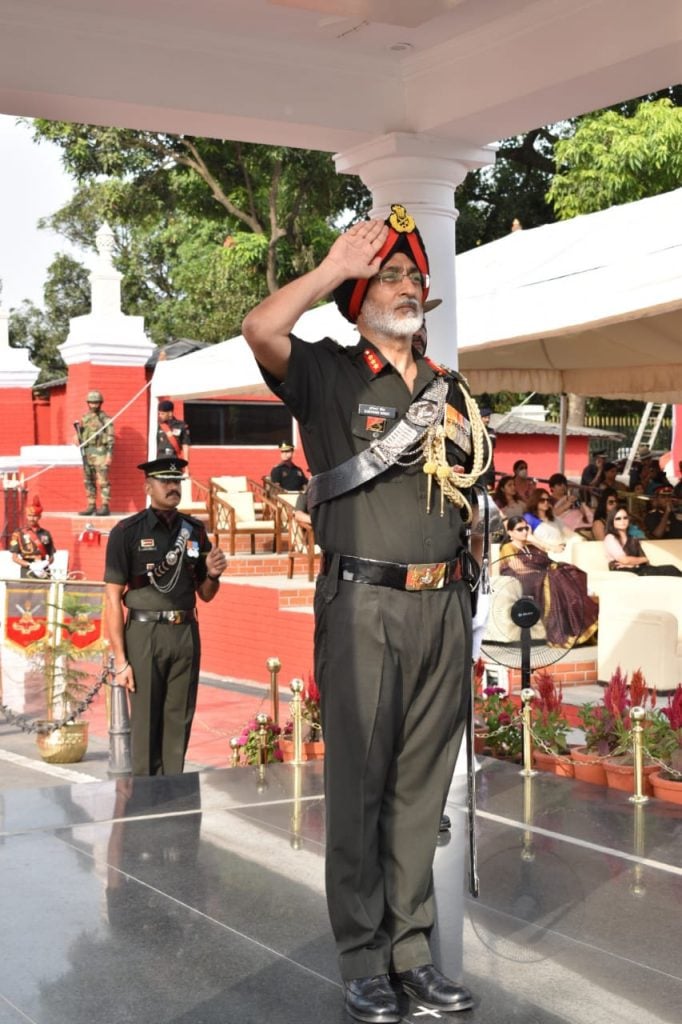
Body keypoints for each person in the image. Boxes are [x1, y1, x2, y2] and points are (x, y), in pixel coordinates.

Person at [242, 204, 486, 1022]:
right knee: (362, 786)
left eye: (415, 276)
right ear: (360, 298)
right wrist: (329, 270)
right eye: (390, 276)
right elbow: (259, 326)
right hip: (365, 607)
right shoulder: (328, 374)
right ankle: (362, 958)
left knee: (423, 791)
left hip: (443, 605)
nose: (408, 285)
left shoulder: (451, 393)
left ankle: (413, 953)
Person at [103, 457, 227, 776]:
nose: (173, 487)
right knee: (145, 722)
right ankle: (145, 802)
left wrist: (212, 575)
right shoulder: (126, 532)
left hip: (184, 632)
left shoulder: (195, 531)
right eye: (165, 482)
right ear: (148, 487)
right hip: (145, 634)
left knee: (179, 718)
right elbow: (112, 598)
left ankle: (174, 795)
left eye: (177, 482)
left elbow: (206, 594)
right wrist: (120, 660)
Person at [500, 516, 598, 646]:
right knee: (556, 577)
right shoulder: (508, 547)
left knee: (571, 573)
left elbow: (549, 552)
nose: (524, 531)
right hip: (525, 579)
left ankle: (579, 625)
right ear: (510, 532)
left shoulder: (530, 545)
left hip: (541, 574)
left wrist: (532, 538)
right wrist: (544, 573)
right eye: (520, 529)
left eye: (526, 528)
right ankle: (566, 630)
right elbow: (519, 569)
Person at [603, 506, 682, 576]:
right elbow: (624, 560)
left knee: (671, 568)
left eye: (625, 517)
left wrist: (634, 563)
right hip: (622, 573)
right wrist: (640, 561)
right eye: (618, 519)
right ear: (612, 522)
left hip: (638, 570)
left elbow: (642, 560)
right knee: (670, 570)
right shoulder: (610, 538)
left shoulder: (632, 538)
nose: (622, 521)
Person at [75, 389, 114, 516]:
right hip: (87, 451)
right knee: (88, 479)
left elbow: (110, 438)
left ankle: (105, 505)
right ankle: (91, 504)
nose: (94, 405)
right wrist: (76, 437)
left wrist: (109, 454)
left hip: (101, 452)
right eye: (91, 403)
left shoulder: (105, 419)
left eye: (96, 403)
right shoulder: (84, 418)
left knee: (103, 480)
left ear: (100, 403)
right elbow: (79, 434)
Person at [8, 495, 55, 578]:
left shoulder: (46, 533)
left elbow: (51, 556)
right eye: (30, 516)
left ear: (39, 517)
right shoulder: (19, 533)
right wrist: (30, 565)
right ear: (26, 516)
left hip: (43, 567)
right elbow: (14, 558)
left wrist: (46, 563)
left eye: (35, 516)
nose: (32, 519)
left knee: (45, 590)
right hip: (27, 569)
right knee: (27, 591)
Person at [477, 405, 496, 491]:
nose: (487, 420)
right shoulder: (474, 432)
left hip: (489, 469)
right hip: (477, 469)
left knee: (489, 493)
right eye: (484, 417)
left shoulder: (492, 432)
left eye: (488, 417)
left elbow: (493, 447)